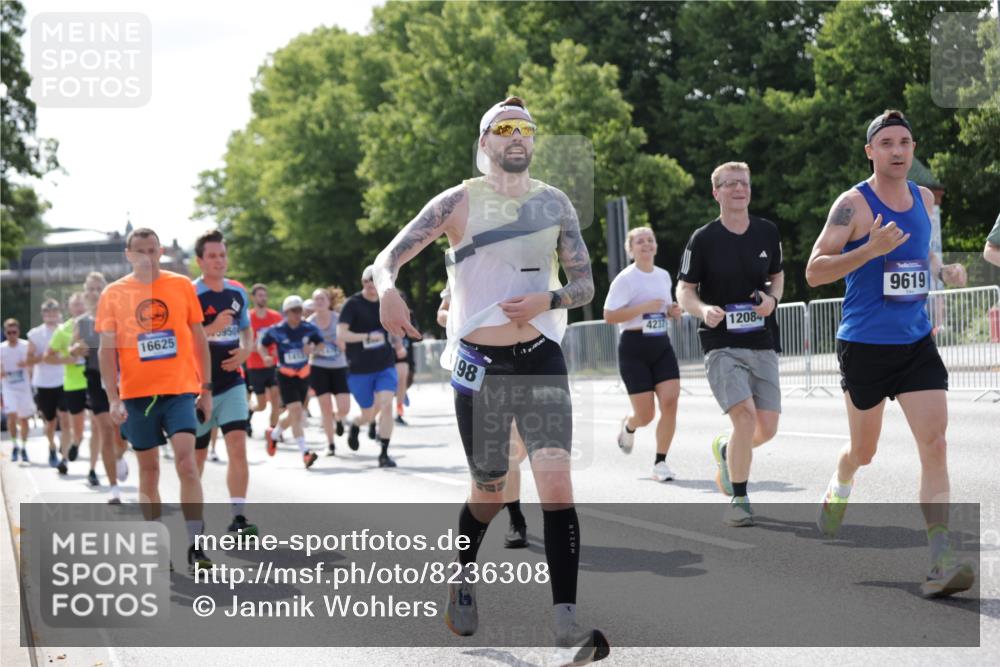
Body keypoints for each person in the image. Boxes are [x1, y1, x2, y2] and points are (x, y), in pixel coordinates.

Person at [375, 96, 608, 663]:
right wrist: (386, 289)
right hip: (479, 366)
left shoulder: (554, 203)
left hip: (540, 357)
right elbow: (387, 258)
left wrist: (548, 299)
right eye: (504, 129)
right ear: (485, 143)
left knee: (556, 483)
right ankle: (461, 576)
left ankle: (566, 625)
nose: (516, 137)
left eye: (525, 129)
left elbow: (585, 286)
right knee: (490, 490)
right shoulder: (457, 202)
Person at [805, 110, 973, 597]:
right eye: (887, 143)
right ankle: (842, 478)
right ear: (870, 151)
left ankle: (941, 558)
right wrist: (869, 249)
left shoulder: (922, 198)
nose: (898, 150)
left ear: (913, 148)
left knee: (936, 444)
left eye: (905, 141)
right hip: (865, 346)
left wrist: (942, 273)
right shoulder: (852, 204)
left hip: (916, 342)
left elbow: (920, 254)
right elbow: (815, 271)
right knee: (865, 451)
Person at [96, 227, 214, 572]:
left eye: (152, 250)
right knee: (148, 471)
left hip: (179, 390)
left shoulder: (180, 286)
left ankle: (197, 543)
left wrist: (205, 389)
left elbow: (198, 339)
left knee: (187, 463)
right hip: (135, 396)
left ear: (160, 251)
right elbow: (106, 350)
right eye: (140, 251)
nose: (147, 256)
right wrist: (113, 398)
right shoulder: (114, 293)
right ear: (129, 255)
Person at [676, 161, 784, 527]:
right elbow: (684, 290)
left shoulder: (767, 232)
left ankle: (727, 450)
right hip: (720, 342)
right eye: (730, 184)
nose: (740, 188)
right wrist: (702, 310)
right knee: (744, 417)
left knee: (766, 429)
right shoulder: (703, 239)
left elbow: (777, 276)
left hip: (762, 339)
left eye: (744, 183)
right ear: (716, 192)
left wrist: (772, 301)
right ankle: (739, 498)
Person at [603, 227, 683, 481]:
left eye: (650, 240)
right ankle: (629, 425)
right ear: (631, 249)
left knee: (670, 402)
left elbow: (663, 308)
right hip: (634, 347)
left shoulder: (663, 275)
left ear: (656, 246)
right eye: (640, 242)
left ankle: (660, 463)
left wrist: (672, 311)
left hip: (660, 343)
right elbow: (609, 315)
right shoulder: (626, 279)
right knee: (646, 415)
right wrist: (642, 307)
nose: (646, 244)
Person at [192, 230, 258, 534]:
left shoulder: (237, 291)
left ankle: (238, 515)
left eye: (222, 255)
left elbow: (247, 330)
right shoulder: (190, 293)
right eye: (212, 256)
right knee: (197, 458)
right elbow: (182, 339)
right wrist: (212, 327)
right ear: (200, 261)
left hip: (232, 381)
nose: (219, 261)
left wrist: (245, 351)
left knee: (237, 447)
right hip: (198, 387)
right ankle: (194, 520)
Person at [73, 272, 128, 503]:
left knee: (122, 433)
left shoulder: (119, 316)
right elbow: (72, 348)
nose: (95, 293)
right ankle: (113, 488)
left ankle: (118, 457)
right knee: (105, 429)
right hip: (96, 380)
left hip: (123, 379)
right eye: (91, 289)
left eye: (99, 288)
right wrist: (75, 349)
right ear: (86, 293)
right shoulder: (82, 322)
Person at [338, 266, 399, 468]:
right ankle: (356, 425)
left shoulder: (386, 301)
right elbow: (342, 335)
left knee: (386, 404)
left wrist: (398, 343)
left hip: (384, 364)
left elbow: (395, 326)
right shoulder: (352, 304)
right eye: (366, 282)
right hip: (359, 368)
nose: (370, 286)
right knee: (367, 414)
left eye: (374, 281)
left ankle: (384, 452)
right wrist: (366, 336)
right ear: (362, 282)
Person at [260, 295, 323, 468]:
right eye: (293, 311)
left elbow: (321, 345)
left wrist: (312, 349)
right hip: (285, 375)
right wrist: (265, 355)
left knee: (295, 412)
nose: (297, 314)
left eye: (299, 310)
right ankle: (305, 453)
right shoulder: (277, 329)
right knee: (296, 411)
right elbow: (263, 343)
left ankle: (273, 435)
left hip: (303, 374)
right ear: (286, 312)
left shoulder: (309, 328)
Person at [45, 292, 89, 475]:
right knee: (74, 425)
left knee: (97, 421)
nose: (79, 307)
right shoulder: (63, 330)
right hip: (73, 383)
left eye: (81, 304)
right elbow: (48, 357)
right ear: (69, 308)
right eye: (75, 304)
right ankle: (73, 447)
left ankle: (87, 462)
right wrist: (68, 359)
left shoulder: (96, 324)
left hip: (95, 382)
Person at [307, 287, 350, 456]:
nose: (319, 302)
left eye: (322, 298)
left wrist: (342, 344)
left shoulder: (338, 320)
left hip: (338, 367)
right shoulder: (310, 323)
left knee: (344, 408)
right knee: (325, 408)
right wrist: (315, 348)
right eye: (316, 299)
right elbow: (307, 348)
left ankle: (338, 418)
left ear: (328, 301)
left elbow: (347, 344)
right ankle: (330, 444)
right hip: (319, 368)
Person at [26, 300, 67, 468]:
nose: (51, 316)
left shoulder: (66, 330)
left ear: (58, 313)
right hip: (43, 383)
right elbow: (29, 359)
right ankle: (52, 447)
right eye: (48, 313)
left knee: (65, 418)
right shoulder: (35, 334)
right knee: (50, 422)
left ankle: (64, 451)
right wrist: (45, 356)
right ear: (43, 315)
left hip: (64, 381)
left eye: (54, 312)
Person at [246, 284, 284, 436]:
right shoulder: (248, 318)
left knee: (276, 399)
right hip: (254, 365)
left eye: (264, 295)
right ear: (253, 298)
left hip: (272, 364)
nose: (263, 298)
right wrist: (256, 348)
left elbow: (282, 338)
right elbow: (245, 343)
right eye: (259, 295)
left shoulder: (275, 317)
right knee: (261, 405)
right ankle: (249, 411)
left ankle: (273, 430)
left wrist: (276, 350)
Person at [2, 318, 34, 464]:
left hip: (24, 388)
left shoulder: (26, 346)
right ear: (5, 333)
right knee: (12, 416)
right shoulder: (1, 349)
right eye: (9, 332)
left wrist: (27, 364)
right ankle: (14, 445)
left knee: (24, 420)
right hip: (8, 387)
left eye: (14, 332)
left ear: (18, 332)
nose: (12, 335)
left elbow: (35, 363)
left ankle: (24, 447)